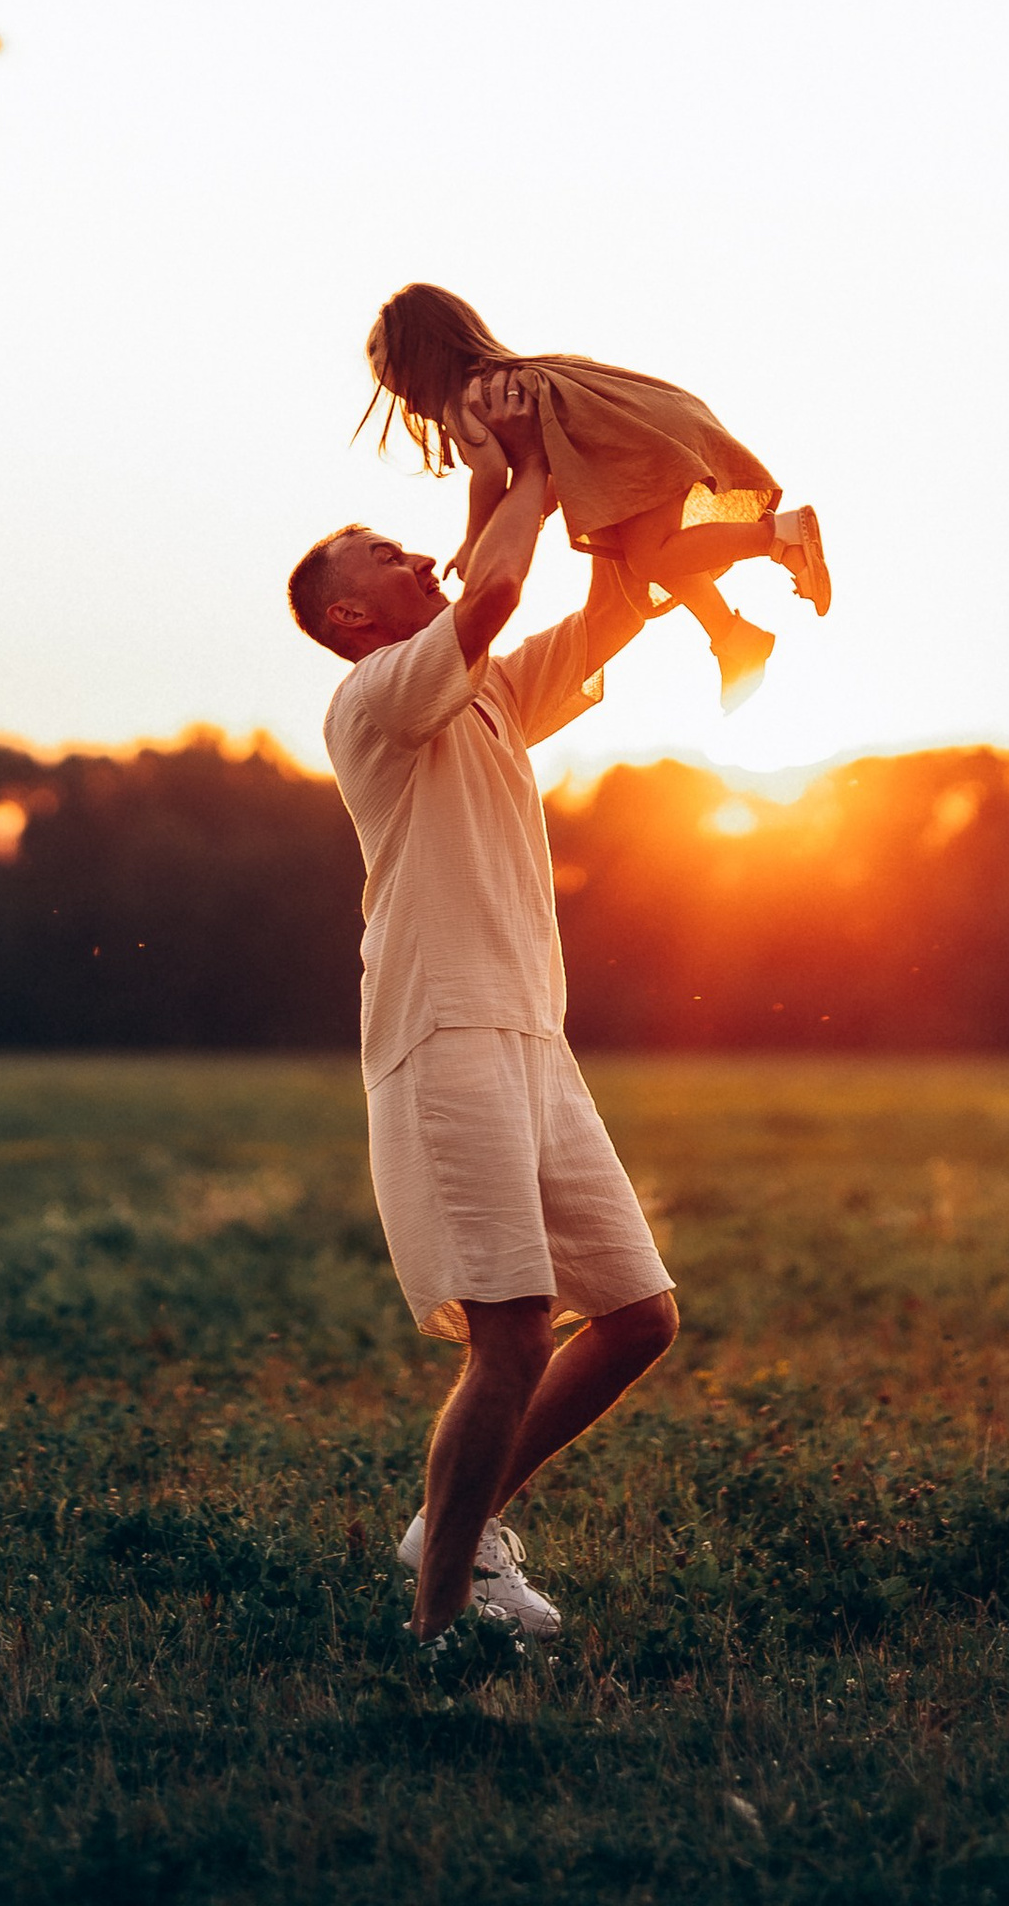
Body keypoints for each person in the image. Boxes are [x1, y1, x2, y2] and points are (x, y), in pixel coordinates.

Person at [290, 370, 678, 1646]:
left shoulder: (490, 691)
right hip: (441, 1035)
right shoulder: (376, 697)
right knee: (509, 1333)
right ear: (353, 613)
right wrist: (524, 462)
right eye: (387, 553)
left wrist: (613, 488)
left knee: (634, 1315)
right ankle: (441, 1620)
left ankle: (450, 1524)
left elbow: (611, 607)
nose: (420, 556)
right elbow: (499, 584)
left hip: (533, 1042)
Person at [361, 280, 830, 713]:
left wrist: (474, 541)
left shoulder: (469, 400)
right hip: (641, 431)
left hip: (633, 446)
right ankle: (730, 634)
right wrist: (528, 518)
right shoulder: (510, 375)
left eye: (393, 379)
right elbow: (546, 483)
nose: (399, 396)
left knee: (651, 558)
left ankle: (777, 537)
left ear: (420, 362)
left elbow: (488, 473)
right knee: (636, 551)